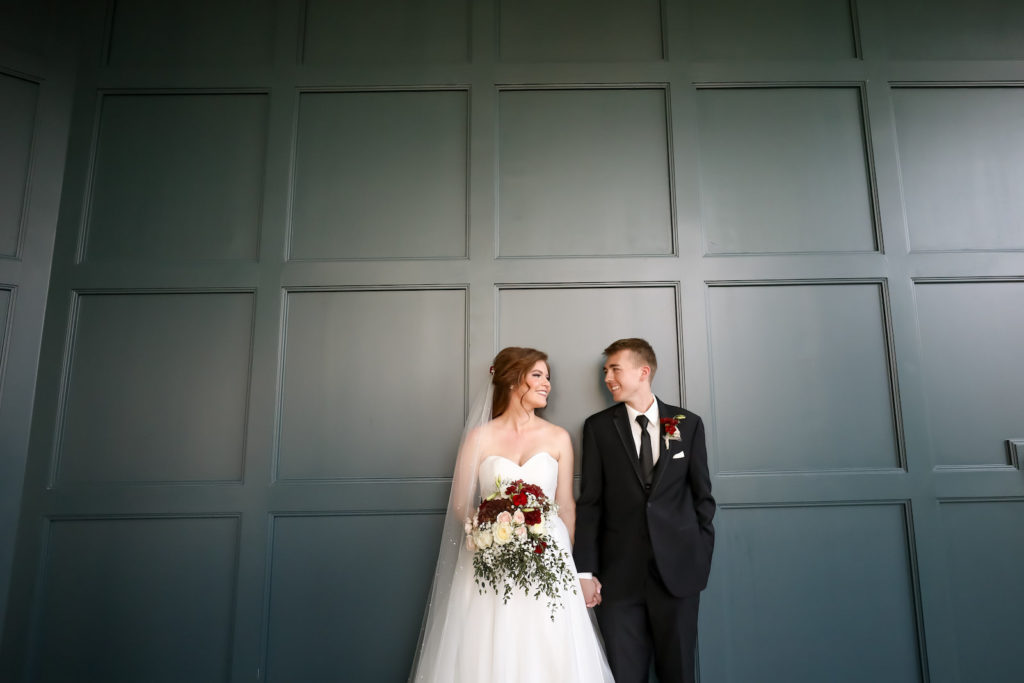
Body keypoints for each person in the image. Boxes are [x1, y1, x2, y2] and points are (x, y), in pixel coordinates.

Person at [409, 347, 613, 683]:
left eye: (548, 377)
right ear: (512, 380)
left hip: (550, 561)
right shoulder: (479, 438)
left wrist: (581, 571)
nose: (547, 383)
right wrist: (490, 532)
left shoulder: (558, 437)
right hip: (492, 561)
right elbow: (461, 504)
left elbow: (565, 506)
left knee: (551, 646)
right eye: (538, 375)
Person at [575, 338, 716, 683]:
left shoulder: (688, 424)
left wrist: (698, 554)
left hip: (679, 574)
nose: (607, 377)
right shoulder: (598, 428)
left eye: (614, 369)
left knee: (678, 671)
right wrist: (585, 572)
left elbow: (703, 499)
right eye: (605, 370)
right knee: (624, 673)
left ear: (643, 371)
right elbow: (590, 502)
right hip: (618, 577)